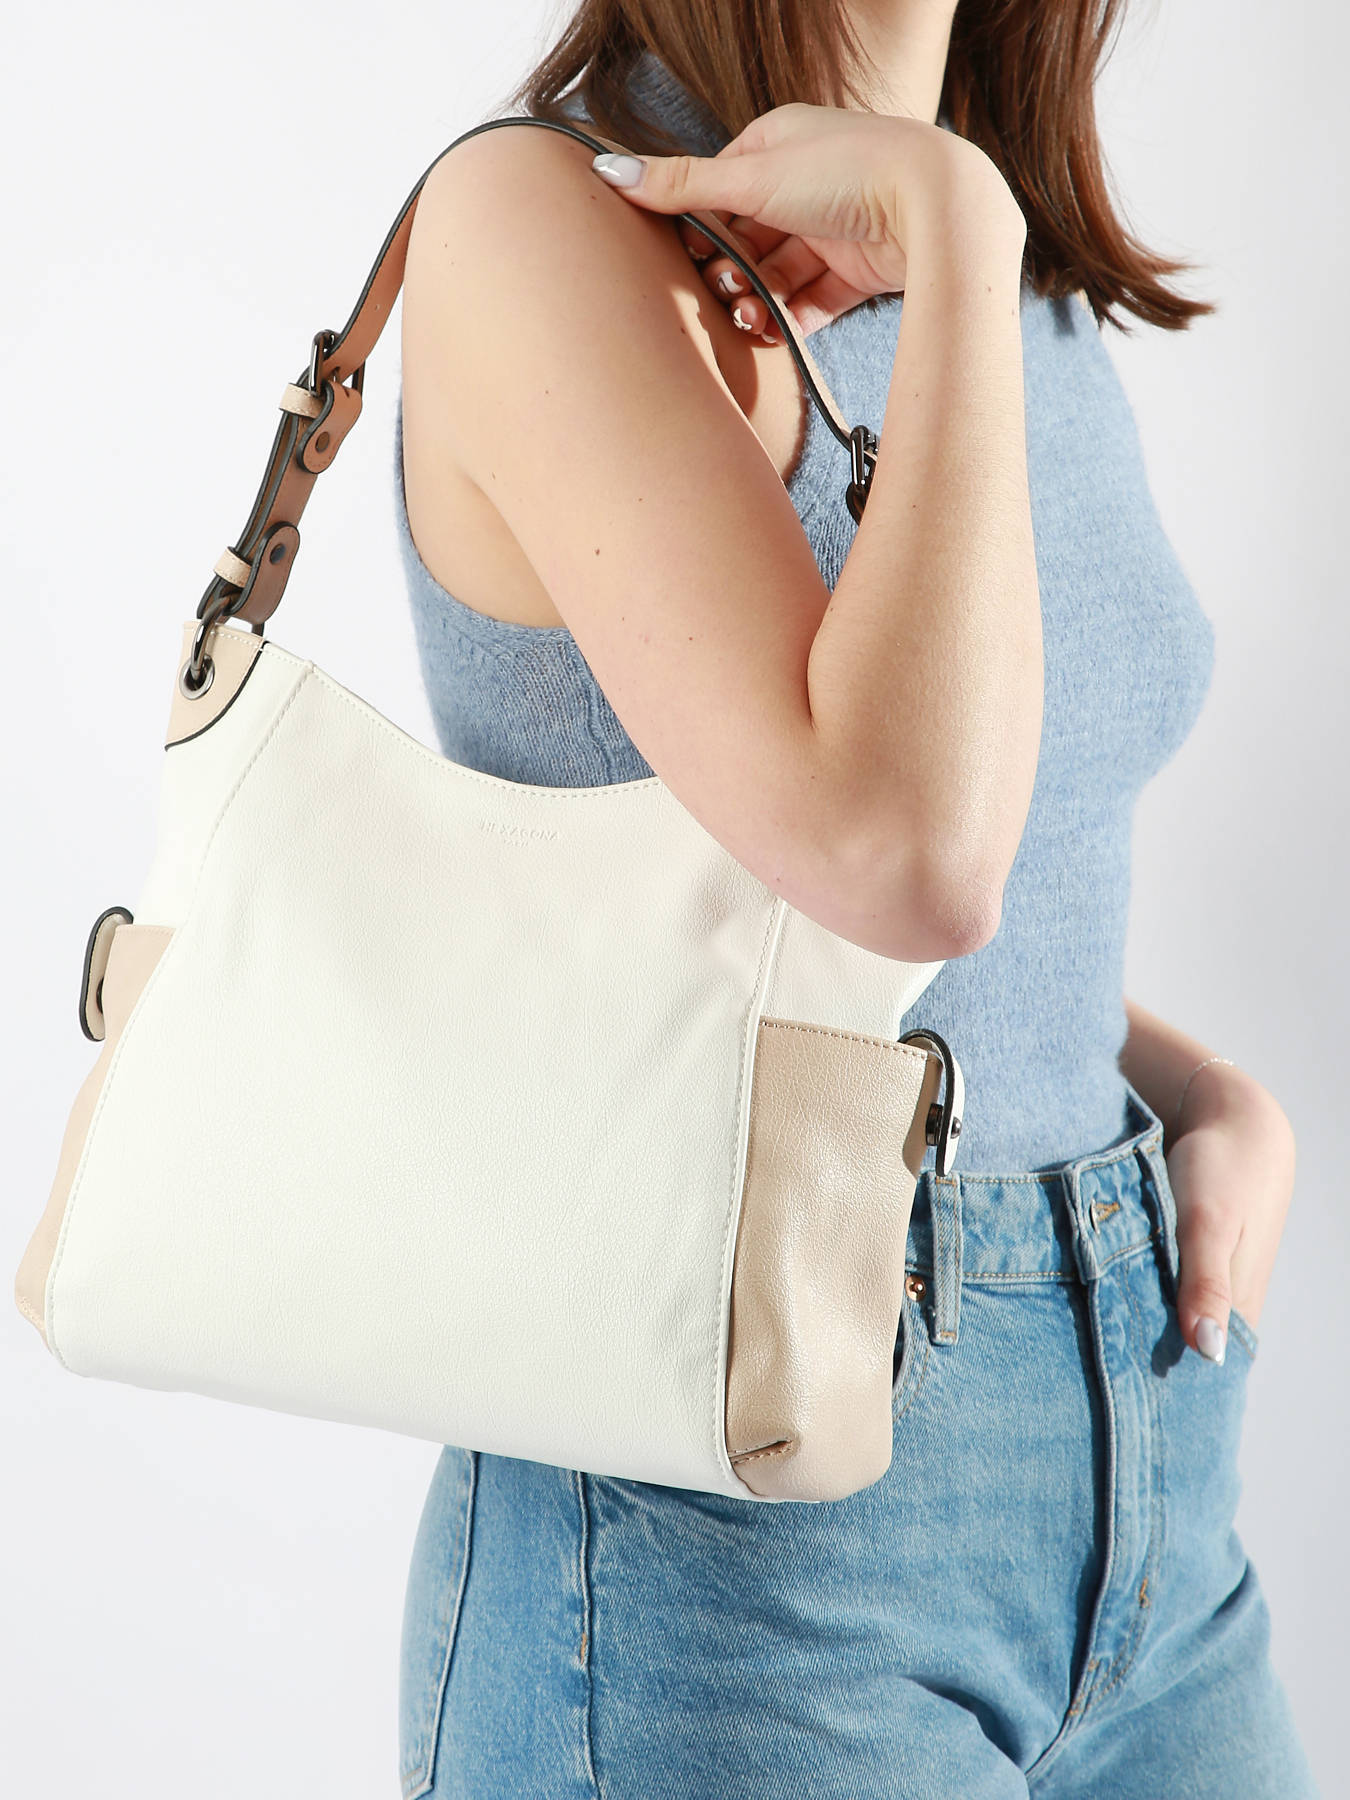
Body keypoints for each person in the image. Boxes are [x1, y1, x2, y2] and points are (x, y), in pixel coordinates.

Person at [390, 6, 1316, 1795]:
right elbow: (908, 859)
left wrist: (1190, 1091)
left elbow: (957, 875)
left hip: (1151, 1472)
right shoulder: (547, 221)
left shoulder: (989, 231)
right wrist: (954, 236)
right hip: (731, 1543)